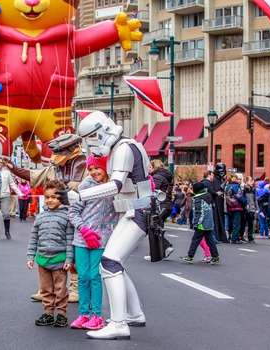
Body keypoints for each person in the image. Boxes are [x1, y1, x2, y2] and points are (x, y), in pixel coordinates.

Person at [76, 111, 154, 339]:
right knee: (114, 263)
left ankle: (120, 322)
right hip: (134, 209)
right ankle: (133, 313)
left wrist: (80, 196)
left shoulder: (123, 149)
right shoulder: (126, 146)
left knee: (110, 263)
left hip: (136, 210)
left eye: (91, 138)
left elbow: (116, 185)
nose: (91, 144)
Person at [6, 133, 87, 303]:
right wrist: (13, 168)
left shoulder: (85, 167)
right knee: (49, 250)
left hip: (78, 217)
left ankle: (74, 289)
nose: (55, 157)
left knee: (73, 253)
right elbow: (34, 176)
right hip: (53, 217)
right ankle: (47, 289)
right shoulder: (54, 168)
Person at [68, 156, 117, 330]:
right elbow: (73, 212)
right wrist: (84, 230)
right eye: (91, 169)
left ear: (105, 167)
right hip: (82, 239)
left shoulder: (115, 187)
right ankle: (83, 314)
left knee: (95, 277)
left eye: (97, 168)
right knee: (82, 277)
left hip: (102, 240)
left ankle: (97, 315)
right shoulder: (85, 186)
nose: (94, 172)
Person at [27, 180, 74, 328]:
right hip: (42, 259)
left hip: (59, 259)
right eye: (47, 197)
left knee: (60, 289)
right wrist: (30, 256)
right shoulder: (40, 217)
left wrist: (69, 258)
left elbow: (69, 239)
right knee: (46, 289)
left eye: (54, 197)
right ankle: (48, 313)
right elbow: (34, 237)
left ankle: (61, 314)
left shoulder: (67, 216)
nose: (50, 200)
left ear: (61, 197)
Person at [179, 182, 221, 264]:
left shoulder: (199, 199)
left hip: (202, 223)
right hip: (208, 222)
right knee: (210, 240)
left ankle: (190, 256)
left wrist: (196, 224)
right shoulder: (207, 197)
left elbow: (199, 213)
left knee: (195, 240)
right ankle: (215, 256)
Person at [0, 157, 23, 239]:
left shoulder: (7, 173)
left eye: (1, 163)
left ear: (3, 164)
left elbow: (13, 184)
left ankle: (7, 232)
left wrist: (20, 193)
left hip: (5, 196)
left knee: (6, 214)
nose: (0, 164)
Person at [146, 159, 174, 260]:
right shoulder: (165, 176)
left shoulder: (157, 177)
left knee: (153, 227)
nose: (148, 169)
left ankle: (164, 248)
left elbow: (154, 191)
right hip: (166, 205)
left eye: (149, 167)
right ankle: (158, 252)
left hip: (160, 205)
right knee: (156, 227)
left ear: (154, 167)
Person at [225, 173, 247, 244]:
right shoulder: (236, 186)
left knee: (232, 222)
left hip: (230, 205)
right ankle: (235, 238)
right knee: (236, 223)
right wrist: (245, 202)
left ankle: (234, 237)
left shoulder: (228, 186)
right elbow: (239, 195)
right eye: (238, 179)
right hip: (237, 206)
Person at [212, 163, 229, 243]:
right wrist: (225, 181)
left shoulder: (219, 179)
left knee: (220, 217)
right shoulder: (215, 179)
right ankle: (218, 235)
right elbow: (218, 188)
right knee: (217, 217)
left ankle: (220, 235)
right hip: (217, 200)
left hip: (220, 200)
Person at [243, 176, 257, 243]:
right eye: (250, 180)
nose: (252, 182)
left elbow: (255, 199)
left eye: (252, 180)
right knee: (243, 223)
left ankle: (250, 237)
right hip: (246, 208)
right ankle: (241, 235)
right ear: (246, 181)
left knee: (251, 223)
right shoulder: (244, 189)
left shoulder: (253, 190)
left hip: (252, 208)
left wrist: (256, 207)